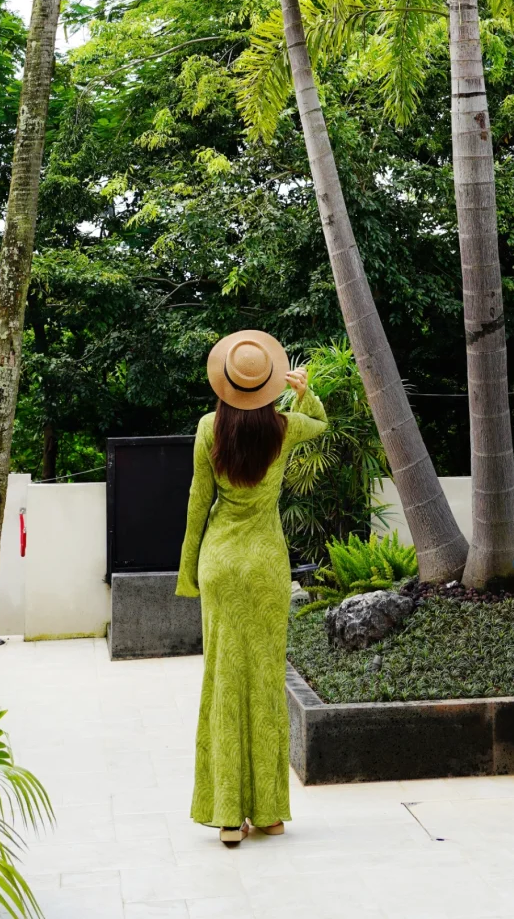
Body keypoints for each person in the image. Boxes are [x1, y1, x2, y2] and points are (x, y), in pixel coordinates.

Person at [175, 329, 326, 846]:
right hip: (266, 565)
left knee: (222, 679)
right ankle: (268, 814)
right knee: (264, 680)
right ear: (268, 383)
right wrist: (303, 390)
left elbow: (198, 505)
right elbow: (323, 424)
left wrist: (187, 572)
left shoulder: (205, 429)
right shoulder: (284, 427)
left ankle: (225, 817)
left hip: (219, 562)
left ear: (225, 382)